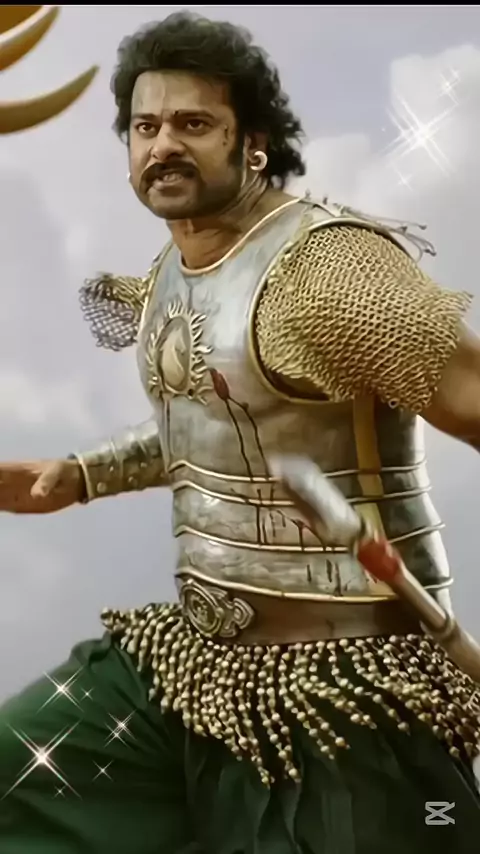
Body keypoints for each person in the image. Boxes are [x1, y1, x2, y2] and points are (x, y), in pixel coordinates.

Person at [0, 10, 480, 854]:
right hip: (198, 658)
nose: (163, 146)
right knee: (20, 772)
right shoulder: (175, 268)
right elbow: (219, 428)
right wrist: (80, 475)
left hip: (348, 683)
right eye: (145, 127)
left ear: (253, 144)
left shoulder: (330, 268)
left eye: (193, 124)